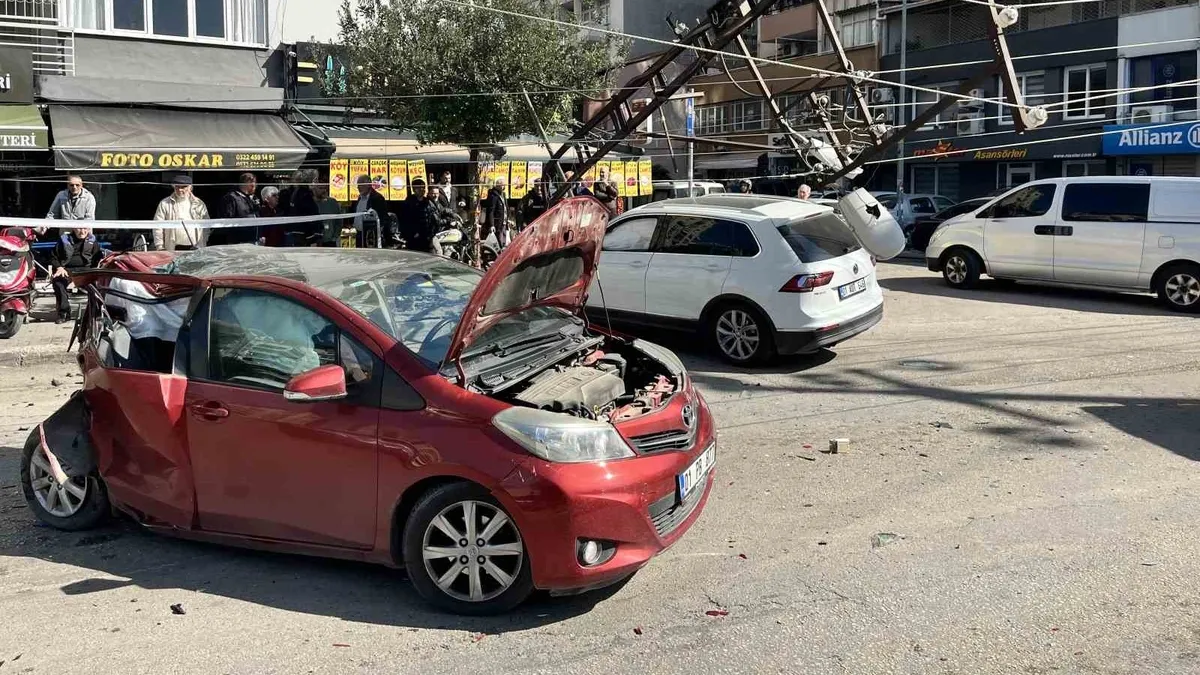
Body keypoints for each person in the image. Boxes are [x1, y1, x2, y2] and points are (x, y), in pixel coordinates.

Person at [50, 226, 100, 324]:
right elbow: (53, 257)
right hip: (66, 269)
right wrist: (59, 267)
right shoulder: (64, 240)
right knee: (58, 282)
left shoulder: (93, 241)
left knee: (97, 285)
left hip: (86, 270)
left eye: (85, 228)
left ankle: (95, 312)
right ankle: (64, 313)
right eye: (79, 228)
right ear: (73, 229)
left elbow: (98, 258)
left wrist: (96, 271)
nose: (82, 231)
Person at [153, 176, 211, 251]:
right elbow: (157, 225)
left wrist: (203, 242)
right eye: (177, 187)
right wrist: (159, 246)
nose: (180, 190)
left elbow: (207, 225)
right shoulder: (165, 203)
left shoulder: (199, 204)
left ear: (190, 188)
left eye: (183, 187)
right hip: (173, 248)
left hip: (195, 248)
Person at [212, 172, 259, 245]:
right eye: (253, 183)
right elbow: (227, 219)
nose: (255, 186)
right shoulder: (231, 198)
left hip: (252, 239)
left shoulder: (252, 198)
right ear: (247, 183)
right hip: (238, 241)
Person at [353, 175, 390, 246]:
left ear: (368, 185)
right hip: (359, 234)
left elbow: (383, 217)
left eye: (360, 185)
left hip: (371, 235)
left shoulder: (377, 198)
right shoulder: (360, 198)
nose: (358, 188)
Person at [482, 179, 509, 248]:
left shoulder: (503, 194)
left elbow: (505, 208)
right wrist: (492, 225)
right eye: (502, 185)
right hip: (498, 223)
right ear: (498, 186)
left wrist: (507, 219)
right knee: (499, 241)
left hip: (504, 222)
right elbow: (491, 211)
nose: (503, 187)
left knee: (504, 242)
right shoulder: (493, 195)